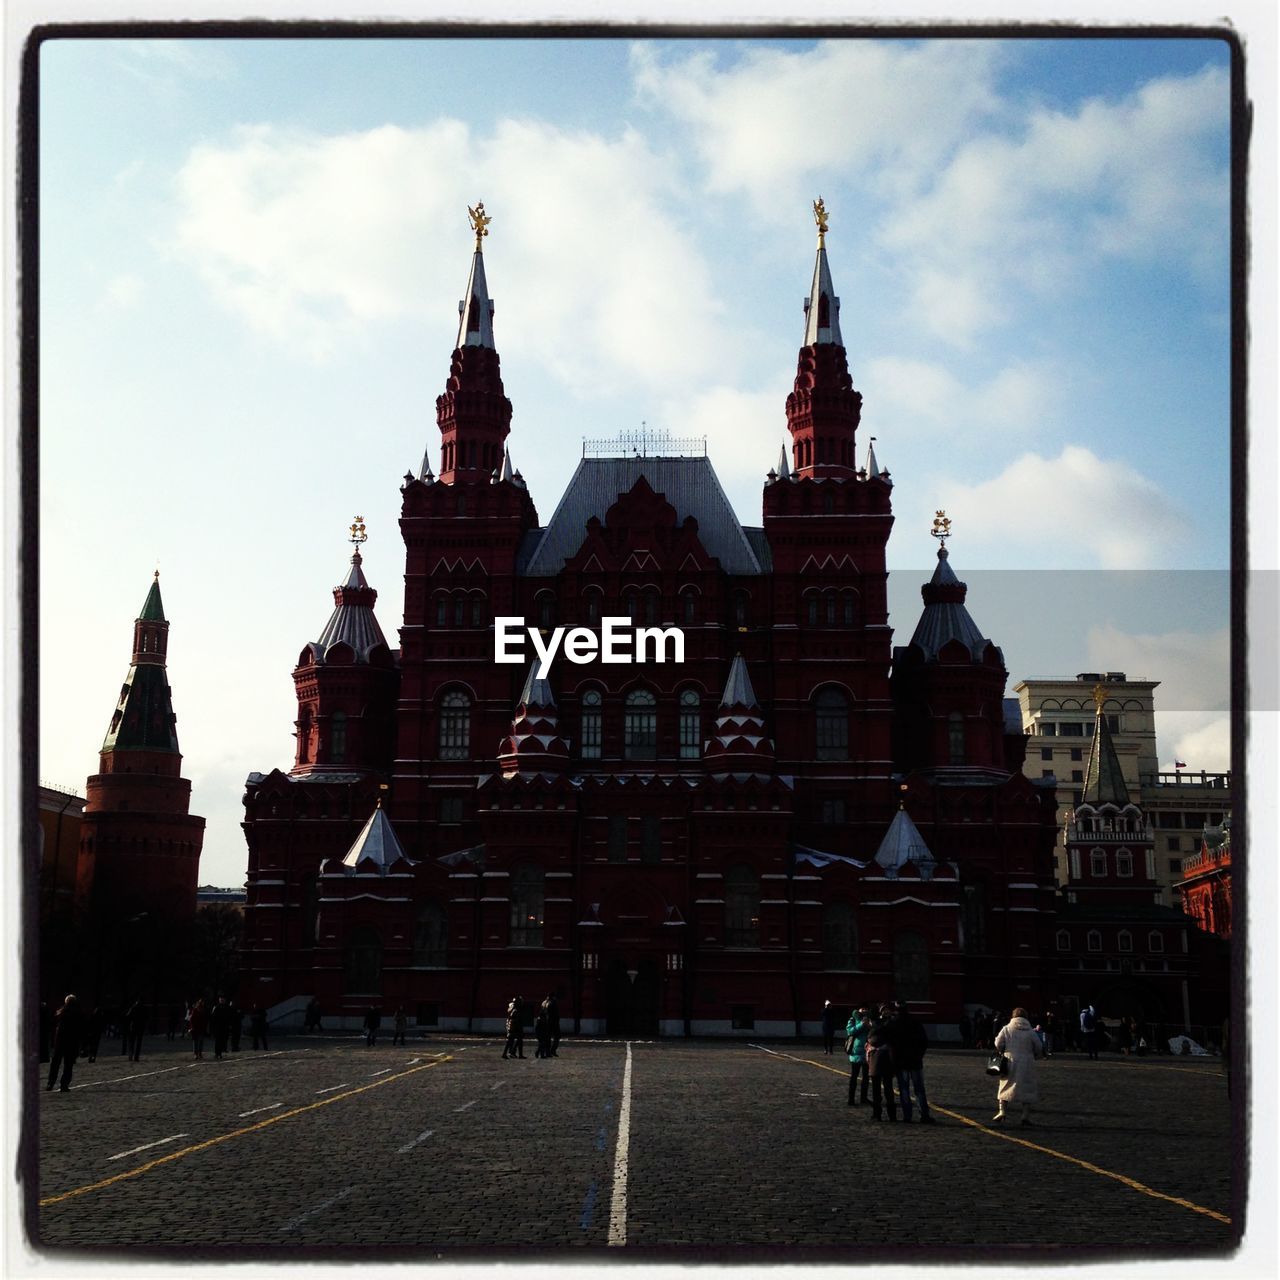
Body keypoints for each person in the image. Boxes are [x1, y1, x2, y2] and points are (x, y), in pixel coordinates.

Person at [993, 1007, 1044, 1125]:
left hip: (1009, 1060)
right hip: (1027, 1061)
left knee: (1005, 1084)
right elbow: (1038, 1046)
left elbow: (997, 1043)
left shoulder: (1006, 1029)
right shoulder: (1030, 1031)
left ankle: (1002, 1111)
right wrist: (1035, 1055)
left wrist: (1002, 1050)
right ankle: (1025, 1115)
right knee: (1027, 1087)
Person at [885, 1002, 934, 1123]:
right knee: (919, 1089)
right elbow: (924, 1041)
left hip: (900, 1062)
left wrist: (893, 1062)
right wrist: (919, 1055)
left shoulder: (892, 1023)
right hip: (915, 1061)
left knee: (904, 1089)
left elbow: (890, 1044)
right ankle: (924, 1115)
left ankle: (907, 1116)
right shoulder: (915, 1021)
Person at [47, 994, 85, 1092]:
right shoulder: (78, 1013)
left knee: (55, 1063)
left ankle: (50, 1083)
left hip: (60, 1042)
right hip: (72, 1042)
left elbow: (53, 1027)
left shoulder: (61, 1012)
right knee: (68, 1065)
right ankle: (64, 1085)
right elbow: (81, 1030)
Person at [865, 1010, 897, 1121]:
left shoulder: (870, 1038)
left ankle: (877, 1114)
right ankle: (892, 1115)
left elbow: (867, 1055)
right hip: (887, 1066)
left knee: (876, 1092)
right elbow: (892, 1053)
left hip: (874, 1066)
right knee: (889, 1091)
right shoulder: (887, 1037)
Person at [845, 1006, 871, 1106]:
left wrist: (869, 1025)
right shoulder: (853, 1019)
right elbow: (850, 1031)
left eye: (866, 1009)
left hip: (867, 1052)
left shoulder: (870, 1019)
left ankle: (863, 1098)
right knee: (854, 1077)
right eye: (862, 1009)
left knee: (866, 1077)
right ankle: (851, 1099)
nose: (864, 1010)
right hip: (856, 1052)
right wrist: (861, 1024)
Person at [210, 995, 231, 1060]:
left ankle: (220, 1053)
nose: (222, 1000)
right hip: (218, 1027)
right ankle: (217, 1053)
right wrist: (213, 1027)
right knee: (218, 1041)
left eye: (223, 999)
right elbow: (213, 1017)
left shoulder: (227, 1007)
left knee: (223, 1040)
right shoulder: (216, 1007)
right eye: (221, 999)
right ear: (219, 1000)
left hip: (224, 1027)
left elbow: (229, 1017)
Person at [545, 993, 561, 1057]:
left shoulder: (545, 1003)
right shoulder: (553, 1003)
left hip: (548, 1022)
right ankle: (552, 1050)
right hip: (553, 1022)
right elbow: (555, 1014)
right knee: (557, 1037)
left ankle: (548, 1051)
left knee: (548, 1037)